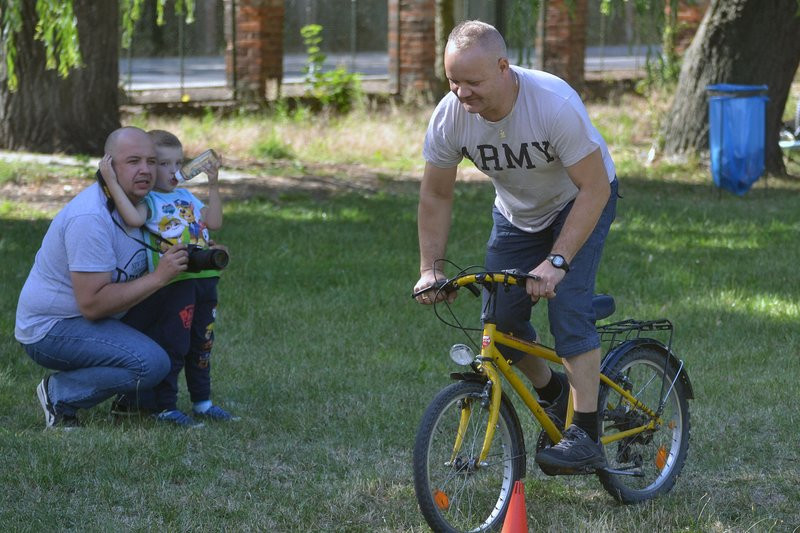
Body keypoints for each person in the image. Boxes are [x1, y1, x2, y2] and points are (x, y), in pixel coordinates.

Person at [412, 21, 618, 473]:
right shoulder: (451, 116)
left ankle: (586, 431)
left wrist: (557, 261)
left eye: (473, 82)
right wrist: (430, 269)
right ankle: (555, 393)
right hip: (517, 215)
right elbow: (436, 195)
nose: (461, 93)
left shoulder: (552, 103)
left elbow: (595, 188)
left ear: (504, 67)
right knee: (500, 322)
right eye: (453, 81)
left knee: (568, 306)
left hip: (580, 199)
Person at [15, 126, 188, 429]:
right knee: (150, 363)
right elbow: (92, 305)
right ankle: (60, 394)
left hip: (101, 316)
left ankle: (134, 403)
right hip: (53, 327)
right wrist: (160, 277)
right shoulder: (90, 219)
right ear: (108, 165)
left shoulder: (145, 206)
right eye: (133, 162)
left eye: (151, 161)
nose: (145, 170)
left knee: (172, 306)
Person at [100, 129, 237, 427]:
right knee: (175, 344)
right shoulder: (149, 202)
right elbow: (132, 219)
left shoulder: (186, 195)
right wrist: (111, 181)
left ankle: (203, 402)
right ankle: (166, 407)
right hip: (175, 284)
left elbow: (213, 222)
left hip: (205, 279)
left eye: (178, 163)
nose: (174, 171)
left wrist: (213, 184)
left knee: (203, 343)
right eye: (163, 164)